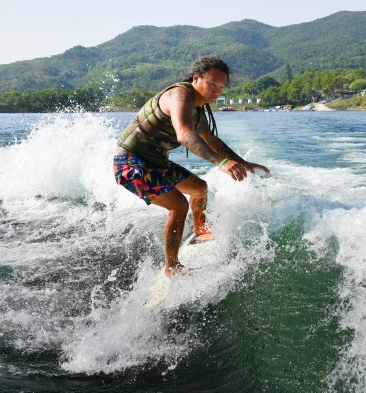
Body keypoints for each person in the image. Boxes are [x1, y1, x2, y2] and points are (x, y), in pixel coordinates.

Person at [113, 56, 270, 277]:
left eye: (221, 87)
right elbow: (185, 134)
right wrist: (221, 162)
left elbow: (210, 139)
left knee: (199, 188)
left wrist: (242, 162)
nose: (216, 91)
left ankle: (200, 229)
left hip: (156, 163)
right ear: (196, 79)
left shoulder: (197, 107)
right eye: (212, 84)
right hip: (130, 164)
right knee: (178, 205)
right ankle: (172, 267)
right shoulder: (179, 95)